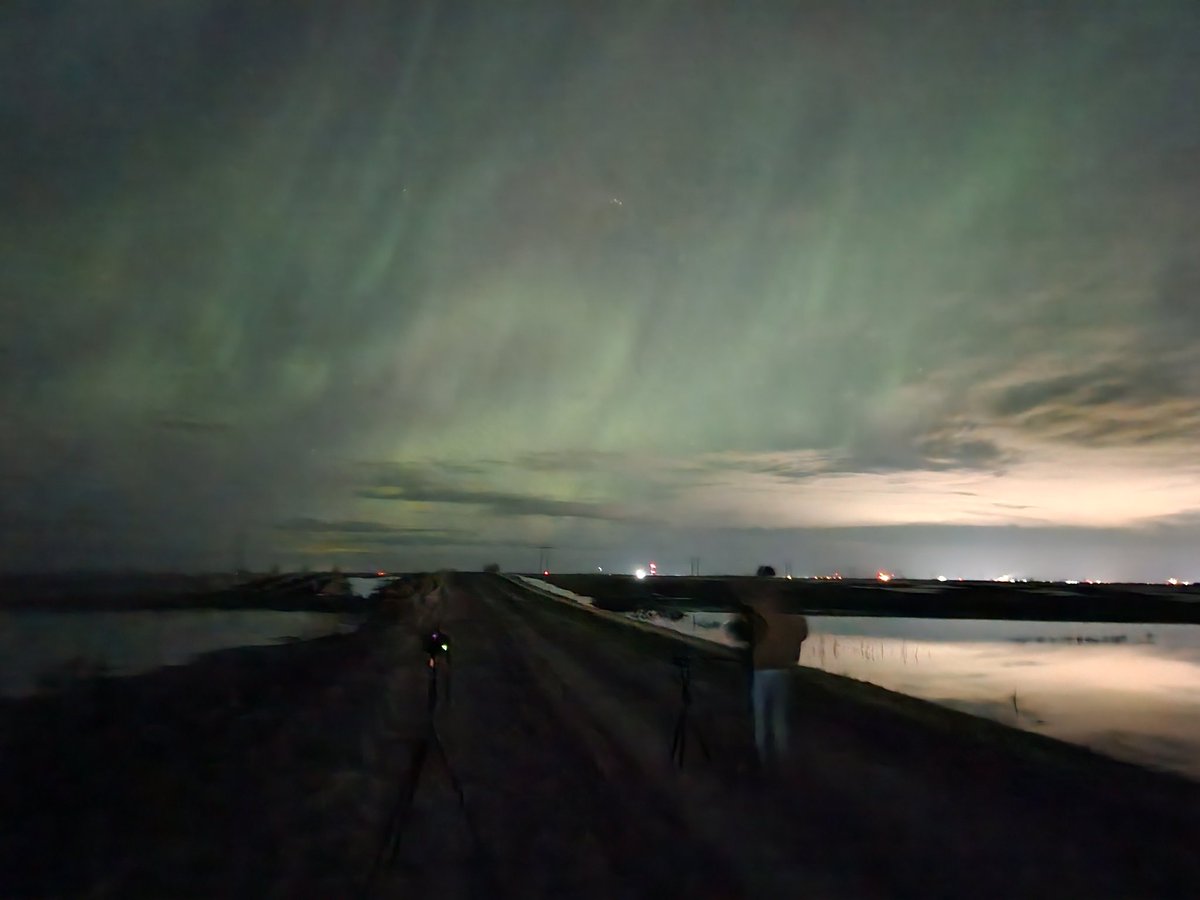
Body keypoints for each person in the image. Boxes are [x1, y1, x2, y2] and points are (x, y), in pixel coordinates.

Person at [738, 589, 809, 769]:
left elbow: (740, 631)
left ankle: (763, 759)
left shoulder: (758, 610)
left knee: (761, 717)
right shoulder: (791, 614)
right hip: (783, 670)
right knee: (779, 718)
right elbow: (802, 632)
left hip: (762, 670)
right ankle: (781, 760)